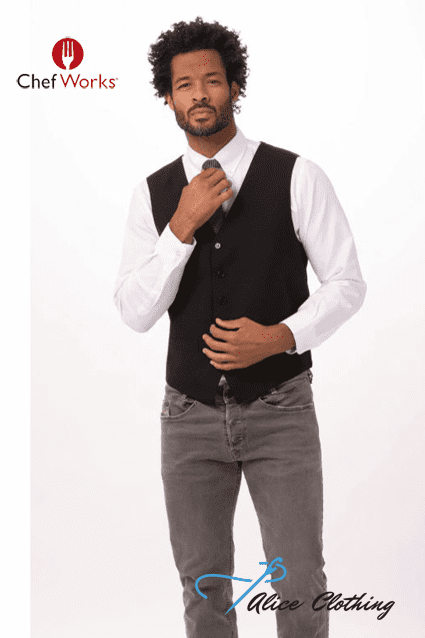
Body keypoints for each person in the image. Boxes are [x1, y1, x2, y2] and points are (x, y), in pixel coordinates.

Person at [113, 16, 366, 638]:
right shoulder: (153, 195)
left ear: (234, 87)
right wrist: (181, 226)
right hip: (187, 415)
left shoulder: (297, 175)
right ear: (168, 97)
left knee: (300, 584)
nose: (199, 94)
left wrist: (281, 336)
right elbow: (134, 311)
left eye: (211, 80)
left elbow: (347, 283)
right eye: (184, 84)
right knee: (203, 591)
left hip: (281, 407)